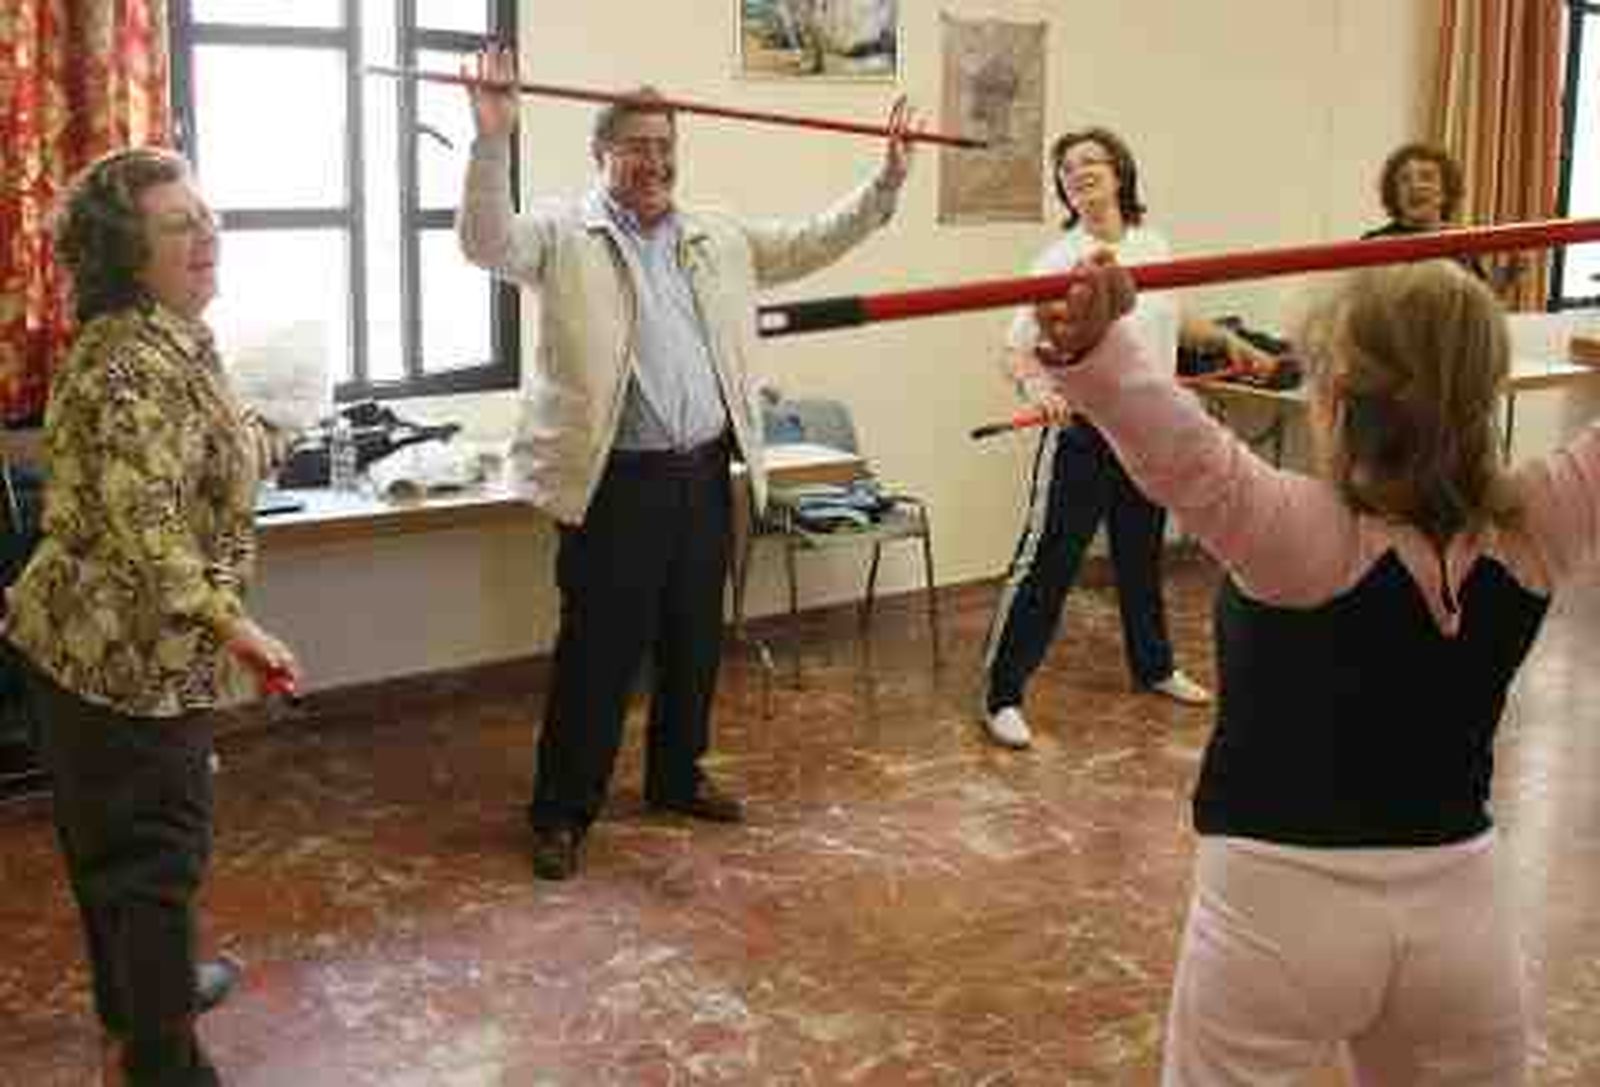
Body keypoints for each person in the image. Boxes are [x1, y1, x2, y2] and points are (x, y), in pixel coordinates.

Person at [1029, 251, 1586, 1083]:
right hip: (1461, 919)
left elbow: (1173, 446)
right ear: (1485, 394)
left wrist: (1093, 347)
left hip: (1276, 915)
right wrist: (1097, 349)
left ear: (1335, 399)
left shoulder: (1296, 529)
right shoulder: (1540, 522)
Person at [456, 47, 915, 880]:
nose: (654, 159)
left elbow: (811, 242)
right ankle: (562, 811)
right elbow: (485, 242)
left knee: (694, 639)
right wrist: (492, 139)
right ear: (601, 152)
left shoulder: (716, 235)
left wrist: (883, 183)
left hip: (704, 473)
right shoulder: (562, 233)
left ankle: (676, 776)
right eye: (635, 144)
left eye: (665, 144)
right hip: (614, 483)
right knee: (598, 654)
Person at [4, 147, 302, 1086]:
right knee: (155, 862)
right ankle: (163, 1061)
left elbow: (202, 448)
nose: (206, 235)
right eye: (178, 225)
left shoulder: (178, 336)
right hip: (116, 661)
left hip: (123, 649)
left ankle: (138, 1002)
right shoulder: (124, 364)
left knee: (118, 856)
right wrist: (237, 627)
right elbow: (150, 529)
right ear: (126, 254)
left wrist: (277, 431)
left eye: (206, 216)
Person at [979, 126, 1272, 749]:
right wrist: (1039, 391)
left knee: (1141, 556)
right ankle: (1001, 695)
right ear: (1063, 188)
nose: (1079, 172)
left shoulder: (1152, 244)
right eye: (1067, 167)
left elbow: (1171, 316)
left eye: (1091, 160)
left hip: (1149, 430)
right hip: (1083, 435)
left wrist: (1228, 340)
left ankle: (1154, 666)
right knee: (1048, 564)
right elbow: (1016, 350)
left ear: (1119, 172)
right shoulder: (1058, 261)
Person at [1363, 141, 1515, 289]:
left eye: (1427, 177)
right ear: (1394, 193)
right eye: (1405, 179)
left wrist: (1500, 279)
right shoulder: (1376, 243)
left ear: (1446, 191)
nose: (1415, 185)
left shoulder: (1462, 241)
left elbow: (1475, 295)